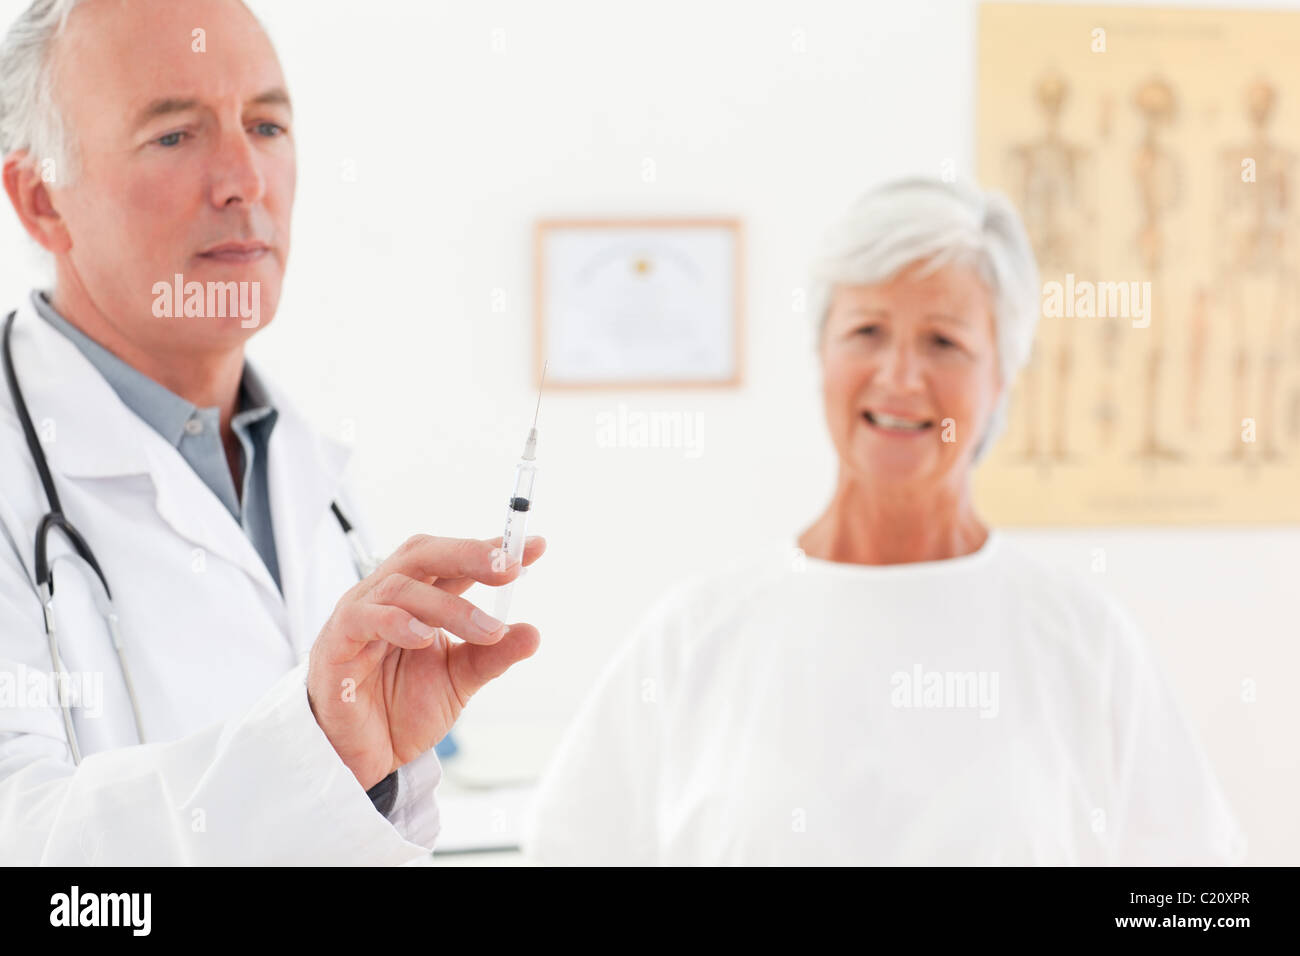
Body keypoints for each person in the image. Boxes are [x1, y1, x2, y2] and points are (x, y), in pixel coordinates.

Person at [524, 177, 1247, 865]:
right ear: (821, 355)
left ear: (1002, 378)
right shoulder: (697, 633)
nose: (900, 376)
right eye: (867, 330)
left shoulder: (1084, 643)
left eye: (945, 342)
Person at [0, 0, 544, 864]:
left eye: (266, 125)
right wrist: (313, 746)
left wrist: (365, 767)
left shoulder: (300, 467)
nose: (244, 180)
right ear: (41, 201)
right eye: (175, 134)